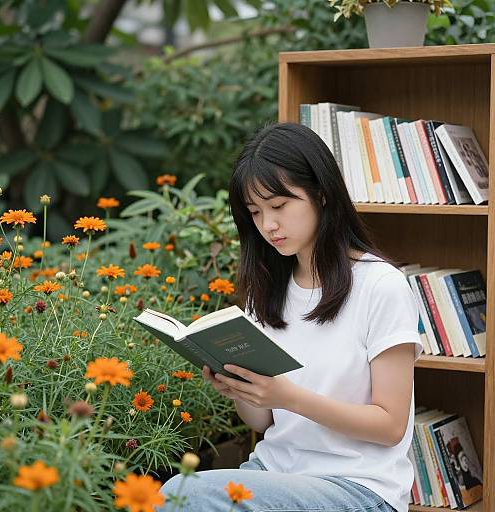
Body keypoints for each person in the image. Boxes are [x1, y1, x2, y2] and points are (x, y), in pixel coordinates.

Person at [160, 122, 422, 512]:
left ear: (322, 194)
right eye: (255, 212)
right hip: (273, 472)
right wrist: (239, 389)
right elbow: (263, 423)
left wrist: (290, 397)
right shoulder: (269, 289)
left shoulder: (381, 286)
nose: (268, 225)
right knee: (178, 496)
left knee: (180, 494)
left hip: (357, 487)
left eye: (279, 206)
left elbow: (389, 426)